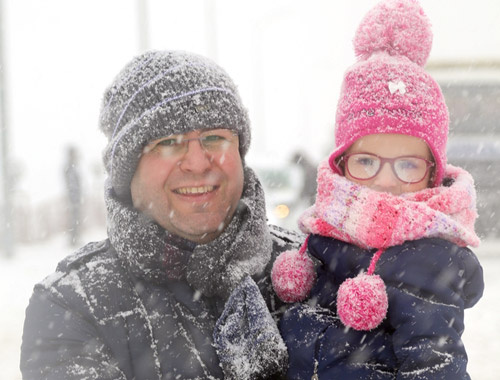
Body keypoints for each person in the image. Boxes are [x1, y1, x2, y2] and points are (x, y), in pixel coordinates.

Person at [21, 50, 301, 380]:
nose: (198, 162)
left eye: (214, 138)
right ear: (128, 173)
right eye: (168, 142)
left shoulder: (312, 268)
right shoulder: (73, 306)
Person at [271, 1, 484, 379]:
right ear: (341, 164)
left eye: (407, 165)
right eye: (367, 162)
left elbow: (436, 368)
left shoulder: (429, 264)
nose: (385, 181)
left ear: (432, 173)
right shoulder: (321, 242)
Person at [63, 145, 82, 246]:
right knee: (74, 218)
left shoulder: (72, 166)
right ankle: (73, 239)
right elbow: (71, 184)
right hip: (73, 197)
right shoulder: (70, 167)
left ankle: (74, 238)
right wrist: (74, 196)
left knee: (76, 218)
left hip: (75, 197)